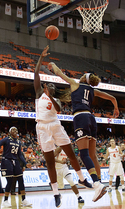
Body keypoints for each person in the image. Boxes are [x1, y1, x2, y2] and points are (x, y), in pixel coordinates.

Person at [50, 62, 119, 202]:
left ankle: (96, 184)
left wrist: (52, 64)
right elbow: (113, 98)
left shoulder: (76, 84)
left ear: (84, 79)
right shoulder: (93, 90)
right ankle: (99, 183)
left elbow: (59, 73)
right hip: (92, 119)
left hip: (80, 117)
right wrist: (116, 109)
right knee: (93, 155)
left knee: (84, 153)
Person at [35, 46, 92, 207]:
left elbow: (58, 109)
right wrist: (40, 57)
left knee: (71, 154)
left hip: (55, 125)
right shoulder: (39, 94)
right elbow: (36, 74)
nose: (52, 86)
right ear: (45, 87)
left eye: (54, 86)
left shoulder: (56, 100)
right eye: (50, 85)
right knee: (50, 162)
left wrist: (50, 96)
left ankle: (82, 179)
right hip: (42, 128)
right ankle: (55, 193)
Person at [0, 126, 32, 208]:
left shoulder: (18, 142)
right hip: (6, 161)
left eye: (16, 130)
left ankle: (24, 199)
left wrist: (25, 163)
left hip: (15, 161)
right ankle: (5, 200)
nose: (15, 131)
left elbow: (20, 155)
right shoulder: (6, 139)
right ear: (10, 132)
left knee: (21, 180)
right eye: (13, 130)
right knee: (10, 180)